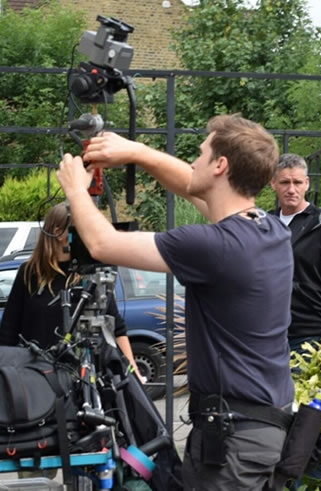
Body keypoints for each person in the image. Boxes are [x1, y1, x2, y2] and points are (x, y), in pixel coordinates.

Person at [57, 114, 294, 491]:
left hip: (233, 436)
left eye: (200, 155)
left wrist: (75, 188)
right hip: (261, 427)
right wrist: (136, 152)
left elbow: (103, 244)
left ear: (221, 165)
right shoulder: (268, 229)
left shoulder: (215, 245)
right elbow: (190, 184)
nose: (193, 163)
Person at [0, 203, 141, 378]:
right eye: (82, 229)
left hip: (85, 378)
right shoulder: (29, 273)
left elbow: (117, 327)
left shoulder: (91, 273)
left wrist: (132, 370)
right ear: (59, 232)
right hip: (38, 376)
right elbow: (9, 330)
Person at [270, 153, 321, 354]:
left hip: (311, 338)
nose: (291, 189)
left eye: (297, 182)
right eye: (284, 182)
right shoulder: (266, 225)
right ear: (273, 183)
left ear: (306, 183)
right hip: (270, 335)